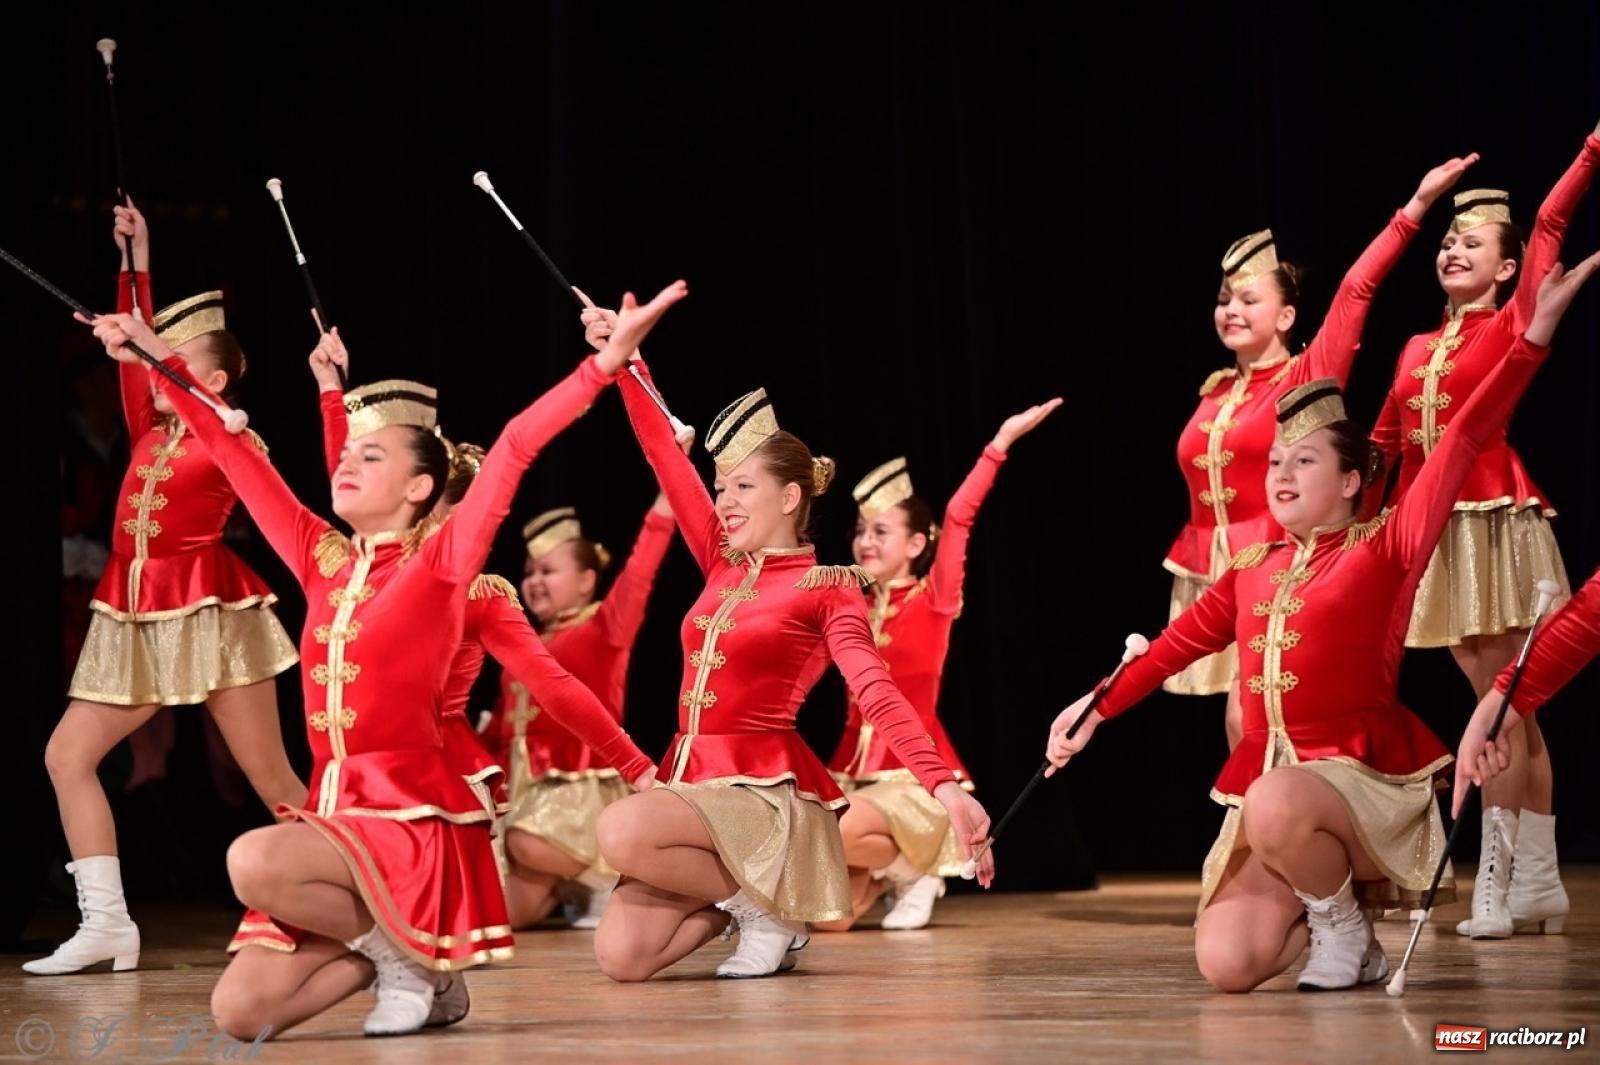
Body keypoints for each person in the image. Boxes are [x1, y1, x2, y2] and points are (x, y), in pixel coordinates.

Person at [84, 281, 684, 1037]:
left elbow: (516, 447)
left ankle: (410, 957)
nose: (346, 463)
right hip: (340, 816)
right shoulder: (320, 558)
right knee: (239, 1012)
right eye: (349, 454)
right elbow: (233, 452)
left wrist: (603, 369)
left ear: (422, 487)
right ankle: (402, 952)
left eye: (372, 456)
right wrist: (150, 356)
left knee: (251, 859)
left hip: (414, 816)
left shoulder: (444, 569)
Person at [1045, 253, 1599, 993]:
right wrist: (1094, 707)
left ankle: (1340, 924)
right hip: (1290, 806)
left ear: (1348, 481)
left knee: (1273, 791)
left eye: (1302, 460)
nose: (1280, 473)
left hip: (1362, 790)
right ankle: (1338, 929)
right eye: (1275, 459)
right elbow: (1172, 648)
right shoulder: (1251, 570)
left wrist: (1530, 340)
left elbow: (1466, 435)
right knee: (1228, 963)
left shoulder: (1385, 545)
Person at [580, 318, 994, 983]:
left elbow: (879, 691)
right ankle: (752, 901)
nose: (725, 499)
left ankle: (764, 904)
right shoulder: (718, 558)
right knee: (624, 959)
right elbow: (663, 451)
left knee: (619, 828)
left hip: (764, 795)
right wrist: (626, 361)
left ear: (790, 495)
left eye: (742, 485)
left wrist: (944, 787)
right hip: (694, 788)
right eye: (720, 486)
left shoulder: (826, 589)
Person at [29, 205, 302, 976]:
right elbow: (135, 363)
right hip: (136, 610)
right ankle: (108, 923)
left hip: (212, 609)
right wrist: (135, 259)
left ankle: (363, 894)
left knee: (274, 778)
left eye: (173, 361)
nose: (154, 370)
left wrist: (145, 342)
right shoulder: (150, 427)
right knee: (67, 755)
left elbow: (175, 381)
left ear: (210, 376)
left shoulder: (231, 428)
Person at [1369, 124, 1600, 938]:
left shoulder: (1510, 324)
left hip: (1493, 520)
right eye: (1448, 240)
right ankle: (1534, 882)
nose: (1453, 250)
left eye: (1474, 243)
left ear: (1507, 268)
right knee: (1512, 708)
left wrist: (1590, 155)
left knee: (1501, 703)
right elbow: (1384, 451)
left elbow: (1547, 228)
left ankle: (1501, 885)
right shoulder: (1415, 345)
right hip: (1432, 529)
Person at [1164, 159, 1477, 749]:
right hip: (1218, 568)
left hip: (1295, 562)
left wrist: (1413, 210)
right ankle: (1262, 832)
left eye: (1248, 300)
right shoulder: (1214, 393)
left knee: (1253, 719)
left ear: (1286, 316)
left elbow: (1358, 289)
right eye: (1225, 298)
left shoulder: (1307, 374)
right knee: (1246, 724)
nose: (1231, 310)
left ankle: (1288, 827)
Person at [817, 399, 1059, 932]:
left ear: (917, 544)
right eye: (860, 529)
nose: (864, 541)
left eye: (881, 531)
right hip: (851, 774)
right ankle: (898, 872)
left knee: (828, 832)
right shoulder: (848, 602)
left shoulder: (934, 601)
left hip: (913, 778)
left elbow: (959, 515)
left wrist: (997, 446)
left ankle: (918, 871)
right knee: (827, 921)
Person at [486, 490, 677, 930]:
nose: (534, 580)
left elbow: (642, 569)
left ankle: (605, 874)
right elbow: (499, 727)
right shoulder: (520, 643)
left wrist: (665, 502)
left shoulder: (604, 628)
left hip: (579, 800)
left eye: (549, 570)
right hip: (523, 796)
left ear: (588, 580)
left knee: (523, 842)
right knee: (493, 918)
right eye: (530, 571)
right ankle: (567, 887)